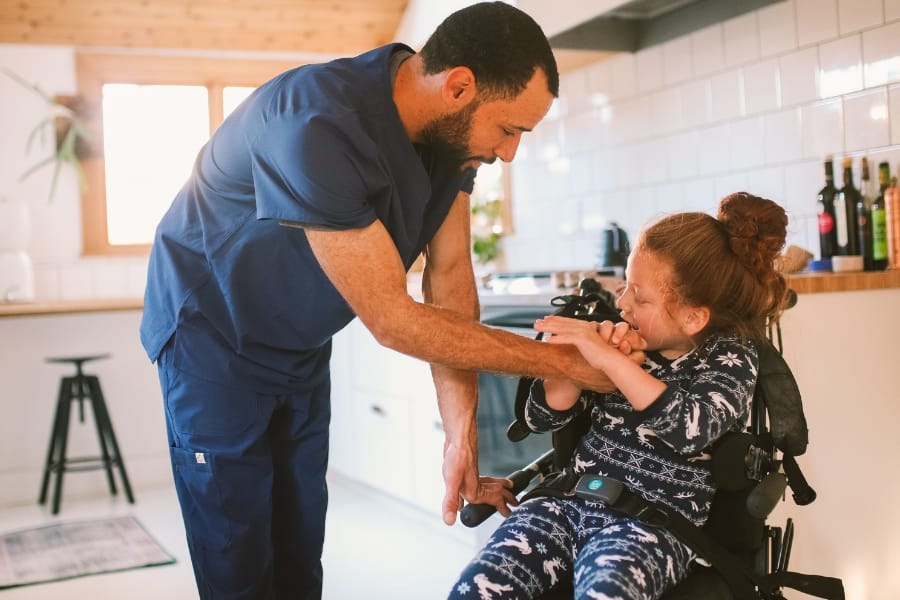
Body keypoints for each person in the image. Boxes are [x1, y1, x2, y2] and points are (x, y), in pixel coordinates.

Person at [140, 3, 644, 598]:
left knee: (299, 550)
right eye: (511, 129)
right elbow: (392, 319)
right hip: (211, 341)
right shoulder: (316, 123)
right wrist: (564, 363)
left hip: (298, 344)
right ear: (459, 86)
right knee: (239, 559)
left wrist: (462, 437)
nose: (510, 153)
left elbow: (451, 279)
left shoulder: (448, 141)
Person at [449, 192, 789, 600]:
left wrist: (613, 364)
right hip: (564, 502)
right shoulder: (619, 339)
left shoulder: (729, 358)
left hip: (650, 525)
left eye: (640, 297)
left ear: (693, 316)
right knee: (476, 589)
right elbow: (541, 420)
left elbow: (689, 430)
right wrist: (574, 367)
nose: (622, 303)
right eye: (626, 285)